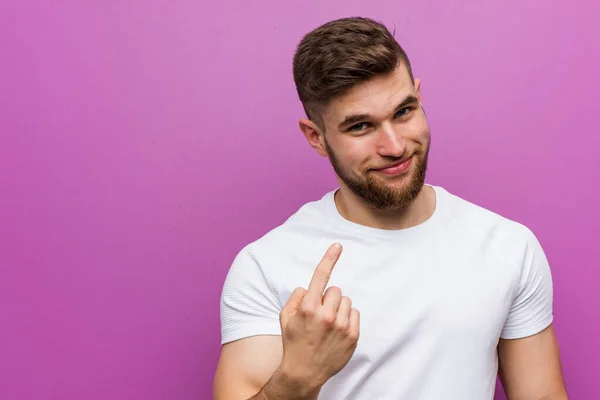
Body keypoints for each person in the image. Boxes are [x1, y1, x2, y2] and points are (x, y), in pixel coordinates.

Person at [213, 16, 569, 400]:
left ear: (418, 95)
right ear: (316, 137)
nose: (395, 146)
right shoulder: (266, 266)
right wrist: (300, 376)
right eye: (361, 127)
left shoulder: (506, 246)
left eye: (403, 112)